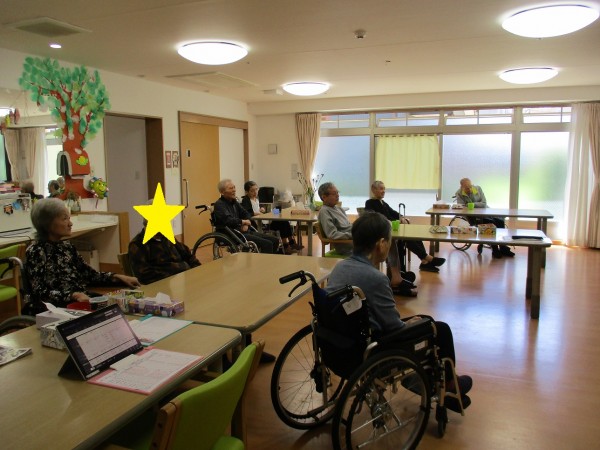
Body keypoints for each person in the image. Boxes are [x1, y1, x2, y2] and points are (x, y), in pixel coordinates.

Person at [325, 210, 472, 412]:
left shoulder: (339, 268)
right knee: (439, 328)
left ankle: (430, 381)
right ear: (381, 244)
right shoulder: (376, 278)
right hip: (370, 348)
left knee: (422, 321)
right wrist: (408, 324)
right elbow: (393, 326)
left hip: (339, 343)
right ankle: (449, 384)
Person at [26, 198, 140, 308]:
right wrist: (73, 295)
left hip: (80, 299)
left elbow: (90, 275)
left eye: (69, 218)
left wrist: (117, 277)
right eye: (64, 219)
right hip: (54, 307)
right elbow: (39, 292)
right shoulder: (36, 251)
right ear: (47, 223)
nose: (70, 223)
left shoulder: (67, 247)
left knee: (122, 306)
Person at [318, 182, 417, 296]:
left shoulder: (338, 209)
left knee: (388, 240)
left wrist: (359, 229)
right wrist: (355, 234)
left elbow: (348, 227)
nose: (337, 195)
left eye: (338, 193)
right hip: (348, 244)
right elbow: (333, 234)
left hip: (355, 240)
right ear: (324, 197)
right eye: (334, 193)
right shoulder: (325, 211)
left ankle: (395, 277)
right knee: (384, 243)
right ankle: (394, 278)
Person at [365, 180, 446, 272]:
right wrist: (396, 221)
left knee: (414, 235)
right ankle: (427, 259)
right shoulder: (370, 203)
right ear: (373, 190)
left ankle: (424, 261)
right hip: (383, 233)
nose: (383, 191)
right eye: (381, 189)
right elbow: (378, 218)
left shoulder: (383, 203)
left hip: (392, 229)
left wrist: (402, 217)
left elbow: (393, 212)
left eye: (384, 189)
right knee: (407, 239)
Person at [213, 179, 281, 254]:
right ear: (222, 192)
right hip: (232, 234)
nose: (234, 190)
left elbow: (246, 213)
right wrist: (243, 222)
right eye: (230, 188)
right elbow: (228, 220)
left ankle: (270, 259)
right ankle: (265, 261)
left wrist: (245, 223)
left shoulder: (234, 202)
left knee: (275, 240)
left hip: (242, 231)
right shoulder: (219, 204)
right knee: (267, 244)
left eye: (234, 187)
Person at [454, 178, 515, 259]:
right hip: (473, 216)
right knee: (490, 223)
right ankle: (495, 249)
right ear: (461, 187)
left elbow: (484, 203)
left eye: (470, 186)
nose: (469, 189)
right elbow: (462, 207)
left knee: (500, 221)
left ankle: (503, 247)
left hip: (485, 212)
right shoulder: (459, 193)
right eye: (467, 188)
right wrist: (474, 205)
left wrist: (471, 204)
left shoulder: (478, 189)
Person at [128, 220, 201, 285]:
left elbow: (187, 255)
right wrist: (179, 268)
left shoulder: (167, 237)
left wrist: (198, 270)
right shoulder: (137, 244)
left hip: (182, 281)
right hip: (161, 287)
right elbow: (144, 275)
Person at [241, 181, 300, 255]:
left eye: (256, 189)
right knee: (281, 223)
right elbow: (247, 213)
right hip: (258, 224)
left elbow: (259, 211)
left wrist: (261, 209)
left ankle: (292, 243)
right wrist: (257, 213)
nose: (255, 192)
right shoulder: (245, 200)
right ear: (247, 192)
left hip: (263, 220)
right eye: (252, 191)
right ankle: (286, 246)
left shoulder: (256, 199)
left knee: (284, 221)